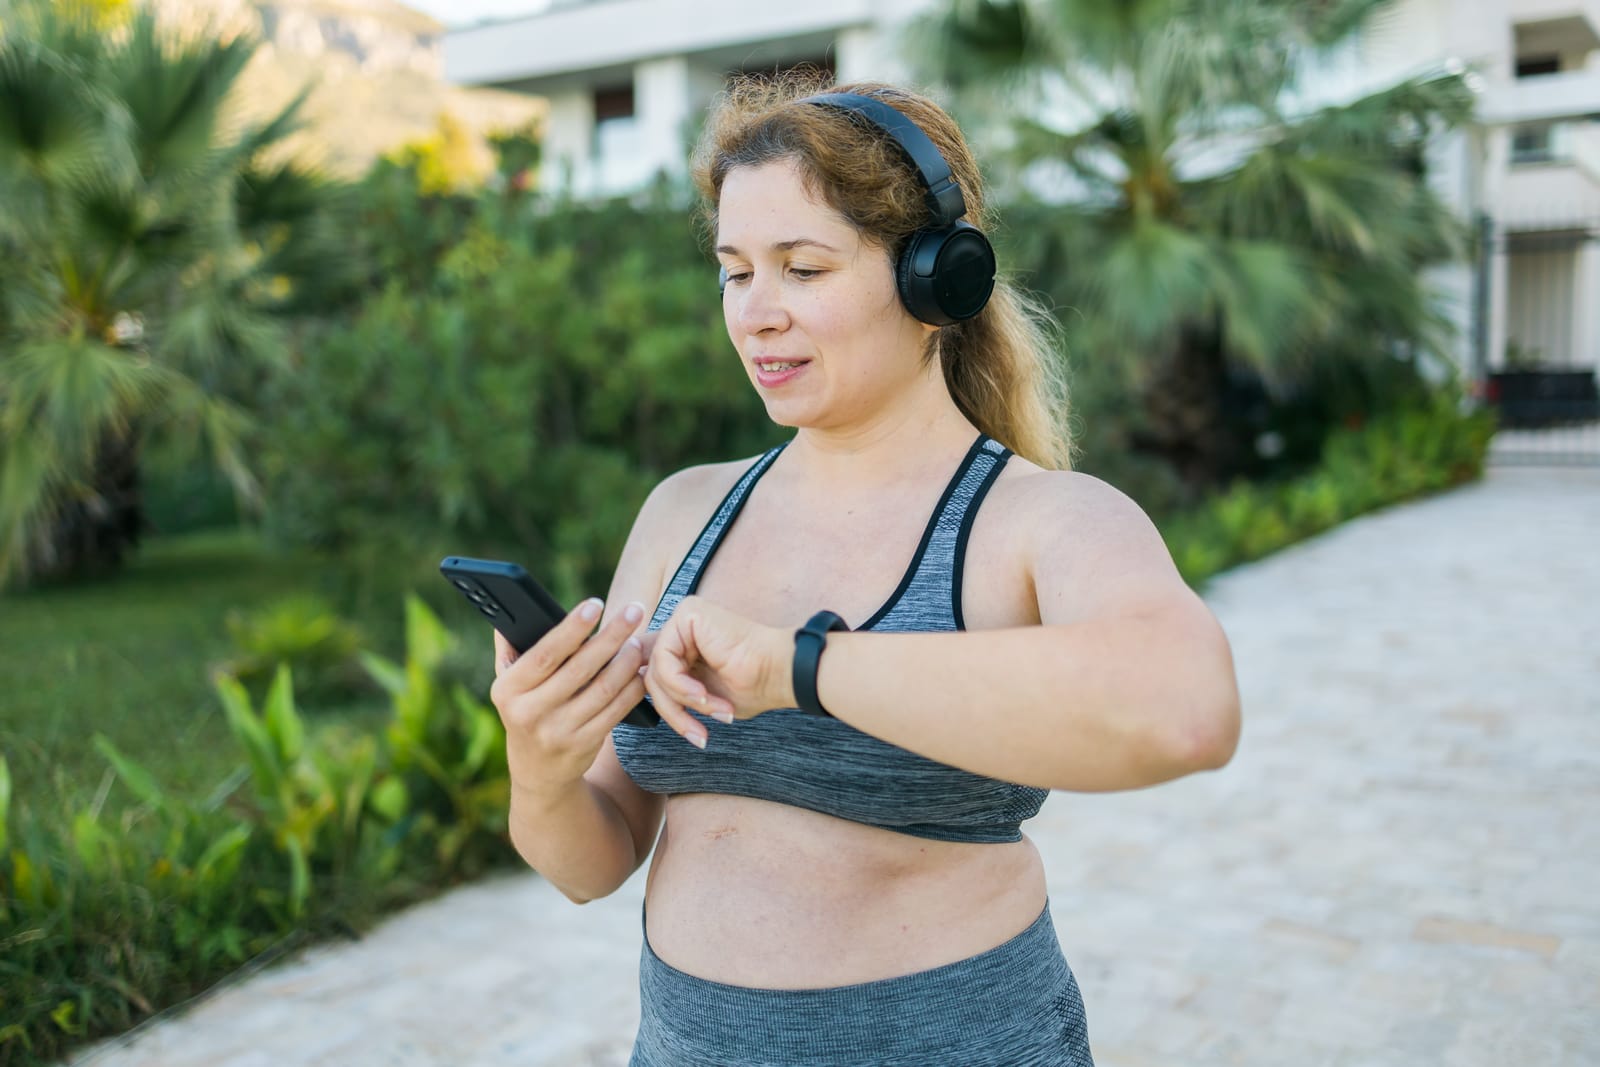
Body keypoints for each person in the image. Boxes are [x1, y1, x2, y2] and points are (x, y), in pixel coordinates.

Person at [489, 75, 1242, 1067]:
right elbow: (593, 863)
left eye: (801, 268)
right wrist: (539, 771)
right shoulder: (682, 512)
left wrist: (796, 668)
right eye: (734, 271)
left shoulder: (1035, 521)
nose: (755, 313)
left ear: (939, 283)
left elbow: (1185, 711)